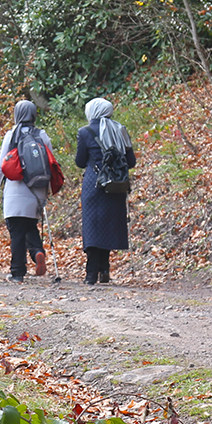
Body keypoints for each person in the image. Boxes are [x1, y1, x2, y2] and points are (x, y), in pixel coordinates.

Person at [0, 100, 54, 283]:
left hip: (14, 190)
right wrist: (48, 189)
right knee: (30, 226)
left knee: (16, 232)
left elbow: (1, 165)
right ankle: (37, 252)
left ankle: (17, 272)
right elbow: (50, 164)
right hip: (36, 190)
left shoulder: (12, 135)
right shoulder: (42, 135)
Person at [76, 98, 135, 285]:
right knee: (108, 227)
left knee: (93, 226)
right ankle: (105, 270)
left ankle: (91, 274)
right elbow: (131, 161)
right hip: (116, 184)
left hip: (94, 183)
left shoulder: (85, 132)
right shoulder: (120, 129)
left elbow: (79, 161)